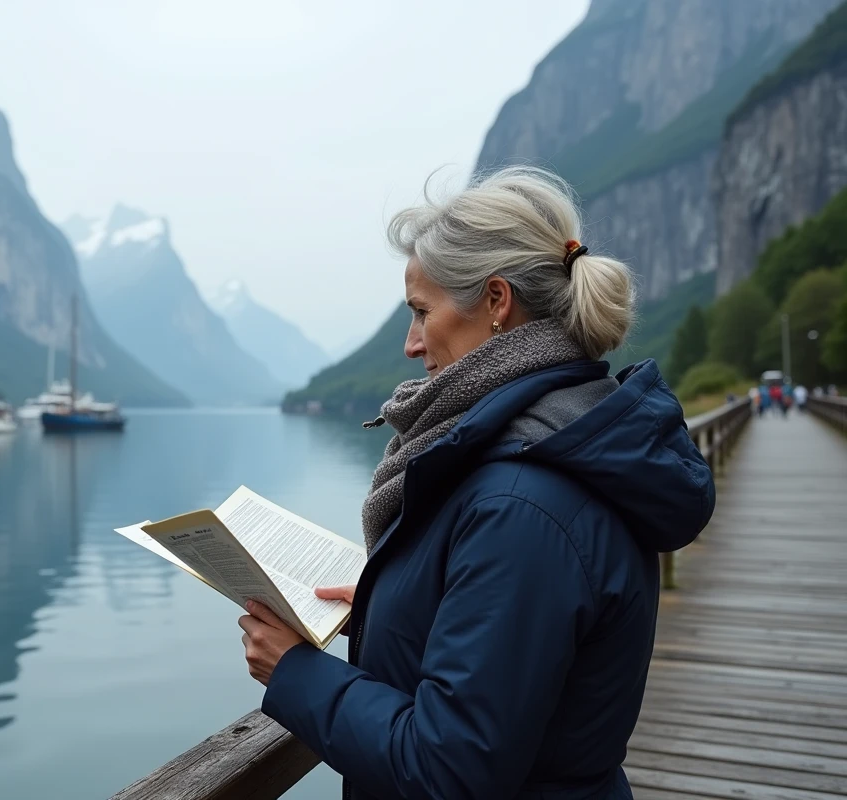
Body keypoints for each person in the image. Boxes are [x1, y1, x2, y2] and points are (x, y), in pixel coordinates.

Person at [237, 166, 715, 800]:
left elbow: (450, 768)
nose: (410, 345)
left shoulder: (520, 504)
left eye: (421, 312)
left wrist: (293, 673)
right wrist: (392, 608)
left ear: (495, 301)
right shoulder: (562, 439)